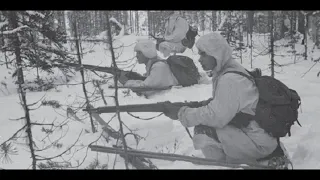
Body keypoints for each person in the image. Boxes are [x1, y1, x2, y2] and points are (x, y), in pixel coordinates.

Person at [163, 32, 284, 165]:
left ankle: (225, 165)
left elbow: (216, 117)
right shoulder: (229, 71)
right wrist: (194, 106)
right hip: (259, 137)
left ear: (216, 54)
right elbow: (224, 105)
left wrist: (182, 113)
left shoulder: (230, 79)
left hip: (259, 144)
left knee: (203, 130)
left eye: (203, 54)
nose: (199, 59)